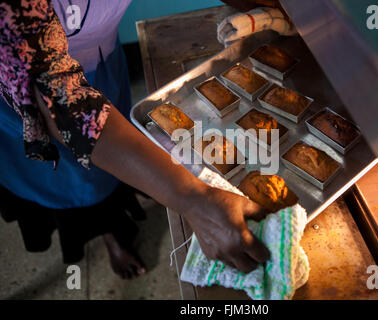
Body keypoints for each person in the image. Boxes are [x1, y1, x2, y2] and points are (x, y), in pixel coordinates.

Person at [0, 0, 293, 279]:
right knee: (74, 180)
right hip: (37, 102)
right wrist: (194, 198)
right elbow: (60, 101)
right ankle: (107, 235)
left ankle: (116, 215)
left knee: (116, 165)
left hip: (105, 63)